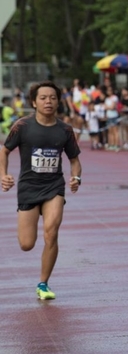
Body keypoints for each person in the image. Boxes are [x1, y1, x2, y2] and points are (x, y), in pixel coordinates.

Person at [0, 81, 82, 300]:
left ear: (58, 101)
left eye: (53, 98)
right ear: (34, 102)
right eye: (43, 98)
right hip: (28, 187)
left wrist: (76, 177)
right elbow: (4, 150)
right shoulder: (22, 126)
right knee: (26, 244)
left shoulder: (65, 130)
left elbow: (74, 160)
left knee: (51, 231)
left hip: (54, 186)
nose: (48, 101)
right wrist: (3, 175)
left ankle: (43, 284)